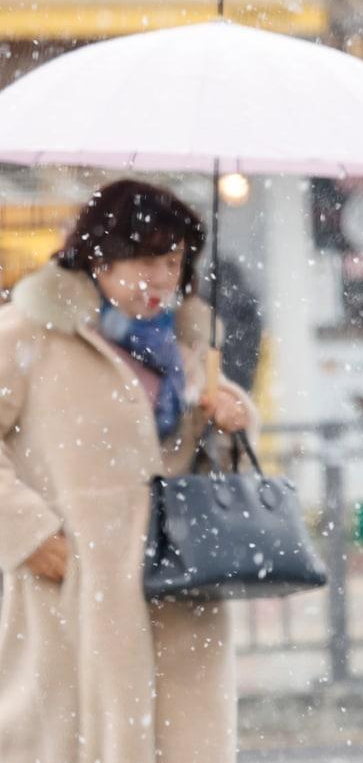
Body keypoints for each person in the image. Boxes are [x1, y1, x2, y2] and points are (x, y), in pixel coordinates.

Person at [0, 179, 254, 763]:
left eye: (173, 260)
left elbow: (205, 467)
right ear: (99, 257)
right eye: (145, 259)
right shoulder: (30, 333)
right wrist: (28, 534)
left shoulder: (187, 347)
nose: (162, 278)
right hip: (75, 592)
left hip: (179, 589)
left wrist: (229, 422)